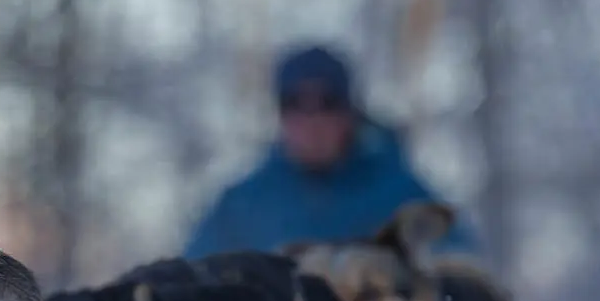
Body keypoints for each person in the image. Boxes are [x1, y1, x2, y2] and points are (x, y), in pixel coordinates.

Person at [185, 44, 476, 257]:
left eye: (328, 103)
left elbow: (460, 271)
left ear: (351, 114)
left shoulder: (400, 196)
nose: (312, 122)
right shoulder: (241, 206)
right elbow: (196, 283)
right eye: (295, 104)